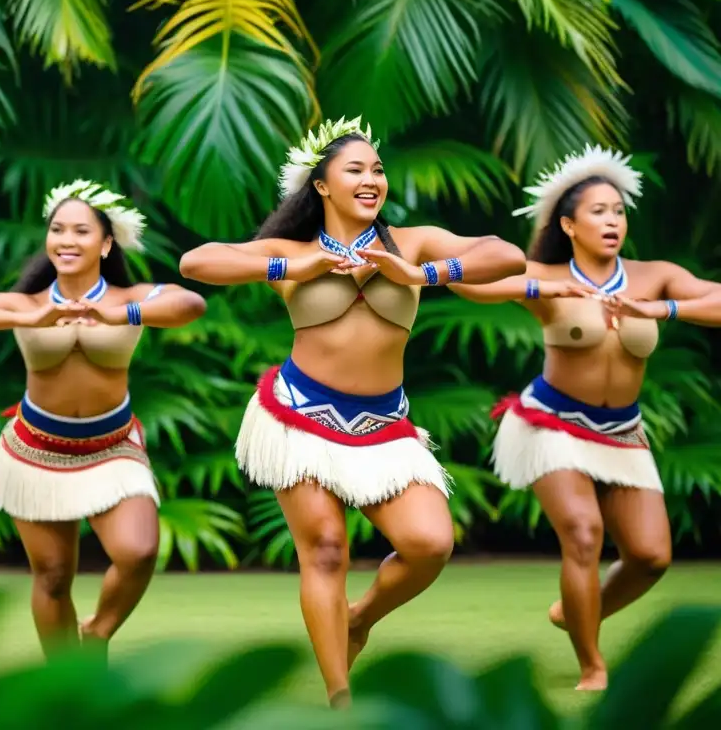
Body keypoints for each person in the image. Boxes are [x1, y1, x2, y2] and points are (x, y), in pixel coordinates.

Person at [178, 117, 527, 707]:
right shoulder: (293, 250)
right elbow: (197, 263)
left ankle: (359, 618)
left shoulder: (410, 242)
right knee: (324, 550)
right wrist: (291, 269)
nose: (372, 179)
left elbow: (507, 255)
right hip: (301, 417)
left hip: (383, 426)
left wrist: (422, 274)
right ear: (321, 185)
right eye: (356, 170)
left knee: (429, 544)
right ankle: (341, 698)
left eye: (378, 169)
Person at [449, 144, 721, 690]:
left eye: (618, 211)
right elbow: (465, 282)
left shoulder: (654, 277)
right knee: (582, 532)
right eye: (599, 211)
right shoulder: (548, 275)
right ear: (569, 224)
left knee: (649, 556)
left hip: (621, 432)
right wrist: (537, 286)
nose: (613, 220)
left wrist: (662, 309)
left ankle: (575, 611)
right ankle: (593, 668)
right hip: (549, 424)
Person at [0, 179, 206, 658]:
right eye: (57, 229)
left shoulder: (129, 298)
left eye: (81, 231)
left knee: (138, 553)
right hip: (36, 449)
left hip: (112, 447)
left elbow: (188, 303)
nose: (67, 240)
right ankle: (64, 685)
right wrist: (27, 321)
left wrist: (122, 315)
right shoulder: (26, 304)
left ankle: (97, 631)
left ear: (107, 242)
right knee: (52, 576)